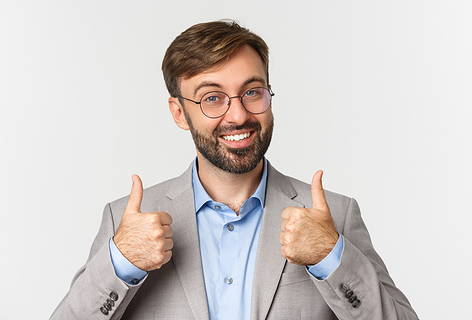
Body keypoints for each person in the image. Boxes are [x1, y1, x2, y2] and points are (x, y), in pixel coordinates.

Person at [51, 20, 418, 320]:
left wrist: (331, 257)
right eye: (212, 98)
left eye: (253, 92)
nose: (239, 115)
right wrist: (121, 263)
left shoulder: (334, 215)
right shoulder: (127, 221)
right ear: (179, 113)